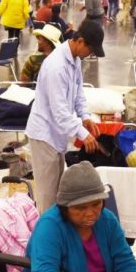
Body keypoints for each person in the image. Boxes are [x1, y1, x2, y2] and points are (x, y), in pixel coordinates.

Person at [24, 19, 104, 213]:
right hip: (45, 135)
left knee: (60, 194)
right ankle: (44, 231)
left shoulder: (75, 60)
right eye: (91, 50)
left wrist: (85, 117)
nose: (90, 55)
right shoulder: (56, 67)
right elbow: (60, 112)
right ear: (80, 41)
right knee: (47, 198)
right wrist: (83, 134)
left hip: (57, 135)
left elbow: (78, 93)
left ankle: (57, 229)